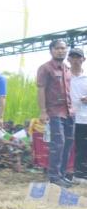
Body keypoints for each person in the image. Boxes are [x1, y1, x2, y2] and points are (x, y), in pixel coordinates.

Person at [37, 39, 75, 187]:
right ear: (51, 50)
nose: (61, 51)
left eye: (63, 48)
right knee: (58, 144)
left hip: (69, 112)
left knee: (68, 144)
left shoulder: (67, 69)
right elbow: (41, 90)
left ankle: (62, 174)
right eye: (58, 48)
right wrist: (43, 111)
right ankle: (54, 176)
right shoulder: (45, 68)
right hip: (54, 112)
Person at [69, 47, 87, 182]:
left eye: (78, 57)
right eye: (73, 57)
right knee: (65, 146)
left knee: (82, 146)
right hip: (66, 117)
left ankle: (79, 174)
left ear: (83, 59)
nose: (75, 60)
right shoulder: (64, 76)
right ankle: (63, 173)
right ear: (68, 59)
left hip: (84, 118)